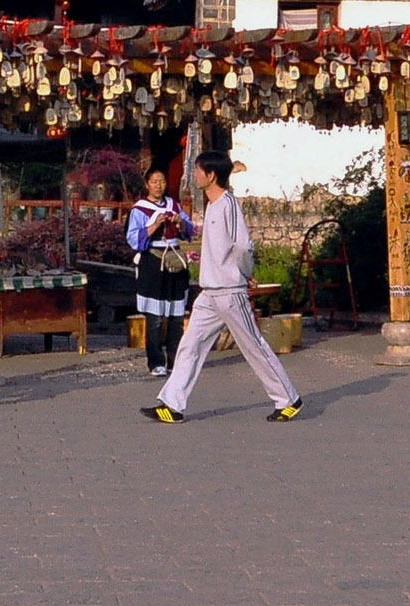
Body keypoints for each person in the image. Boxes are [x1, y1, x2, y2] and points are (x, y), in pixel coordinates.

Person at [145, 151, 301, 424]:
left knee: (254, 346)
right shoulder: (212, 206)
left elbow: (242, 246)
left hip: (230, 291)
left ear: (211, 175)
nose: (194, 175)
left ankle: (288, 400)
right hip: (209, 293)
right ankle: (172, 404)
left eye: (197, 170)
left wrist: (246, 273)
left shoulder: (229, 205)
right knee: (190, 344)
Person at [125, 167, 191, 378]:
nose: (158, 185)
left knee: (176, 316)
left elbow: (190, 230)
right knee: (154, 318)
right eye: (154, 181)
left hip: (174, 261)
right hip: (153, 263)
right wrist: (153, 226)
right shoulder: (139, 210)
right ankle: (155, 362)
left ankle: (175, 360)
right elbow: (133, 239)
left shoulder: (174, 206)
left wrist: (180, 222)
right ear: (147, 185)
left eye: (161, 181)